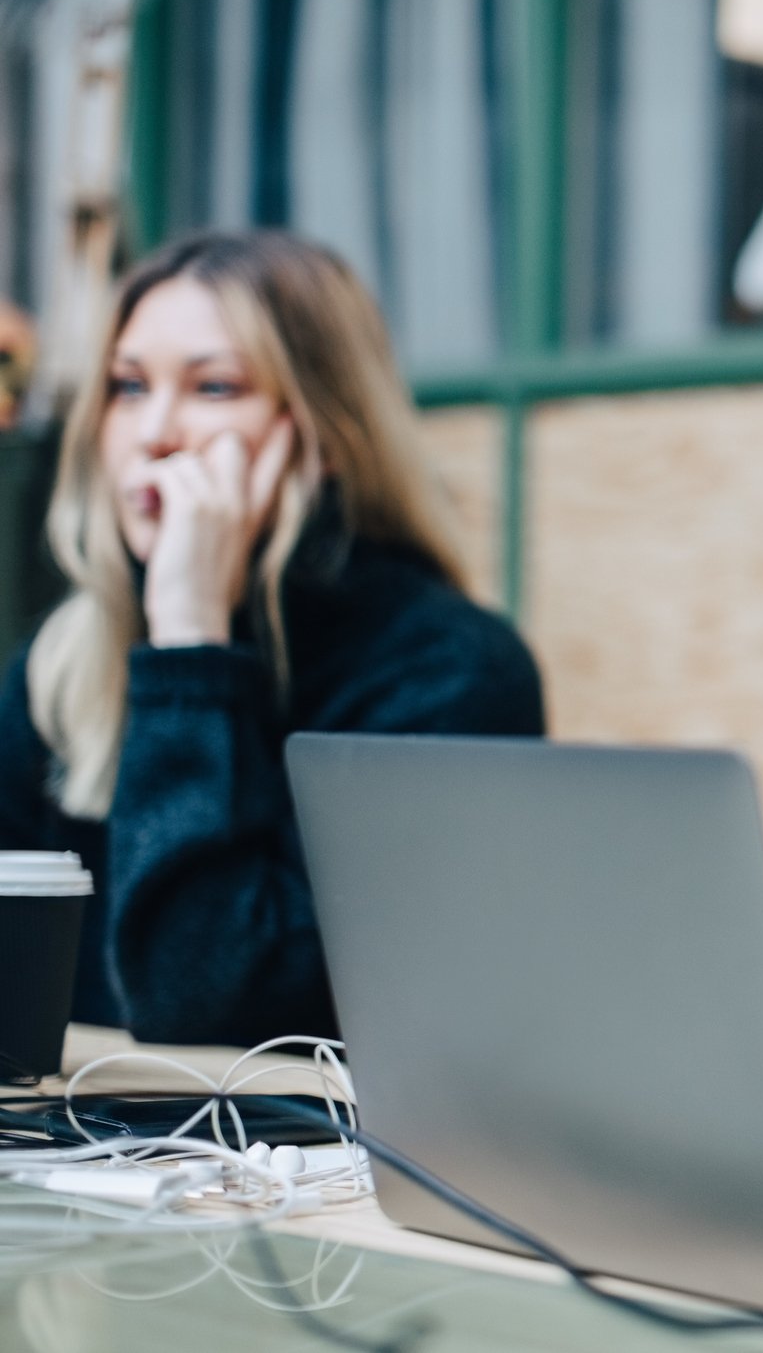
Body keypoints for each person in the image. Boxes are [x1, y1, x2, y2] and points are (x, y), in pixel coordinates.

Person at [0, 230, 544, 1045]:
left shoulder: (448, 671)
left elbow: (211, 1005)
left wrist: (189, 645)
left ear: (322, 434)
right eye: (127, 386)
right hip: (79, 1159)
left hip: (305, 1161)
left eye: (214, 387)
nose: (155, 433)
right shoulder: (62, 665)